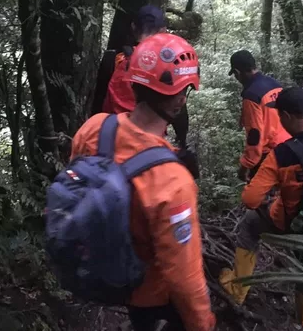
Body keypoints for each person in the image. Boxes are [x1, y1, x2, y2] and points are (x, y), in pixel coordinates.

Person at [71, 33, 216, 331]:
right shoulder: (173, 180)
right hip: (148, 294)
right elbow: (184, 277)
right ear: (180, 98)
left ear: (133, 83)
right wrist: (203, 324)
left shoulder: (93, 128)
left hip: (95, 261)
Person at [219, 86, 303, 329]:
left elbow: (250, 199)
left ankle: (238, 292)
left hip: (288, 223)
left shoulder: (282, 154)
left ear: (286, 116)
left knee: (249, 225)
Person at [95, 5, 191, 150]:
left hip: (108, 138)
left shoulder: (114, 60)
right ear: (163, 31)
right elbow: (179, 110)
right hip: (149, 146)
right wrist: (182, 143)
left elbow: (98, 101)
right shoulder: (166, 66)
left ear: (133, 27)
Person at [228, 50, 291, 181]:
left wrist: (246, 166)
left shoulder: (251, 96)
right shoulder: (274, 84)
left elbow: (254, 135)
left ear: (237, 73)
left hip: (270, 156)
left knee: (258, 199)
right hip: (289, 147)